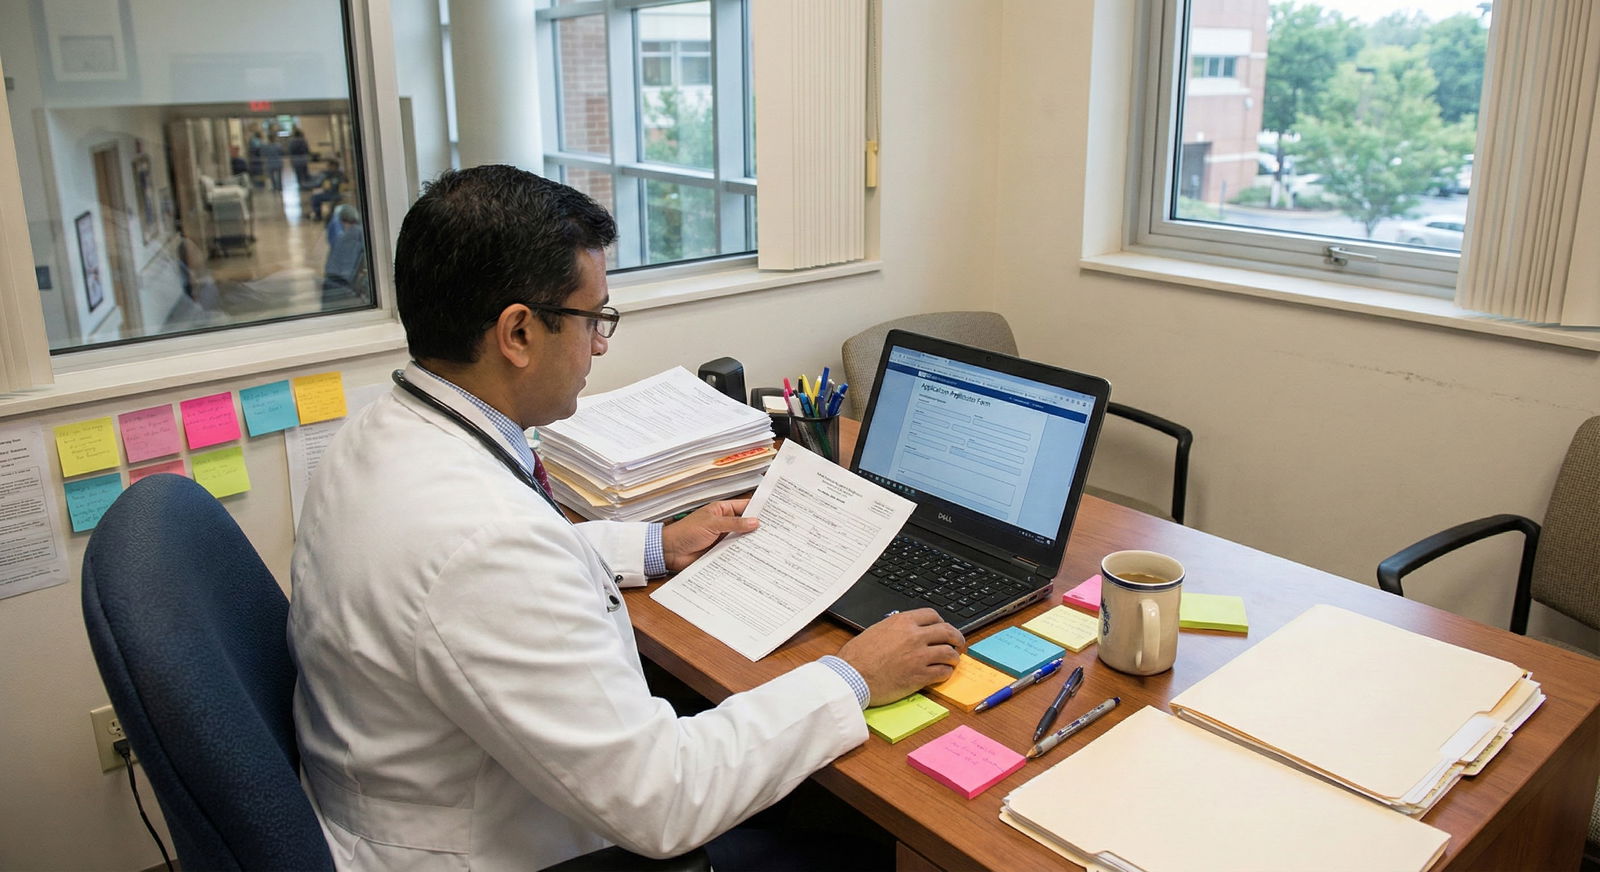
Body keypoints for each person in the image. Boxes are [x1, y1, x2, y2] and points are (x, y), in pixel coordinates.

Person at [288, 164, 964, 871]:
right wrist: (851, 676)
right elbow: (664, 801)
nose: (601, 344)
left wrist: (653, 544)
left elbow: (496, 563)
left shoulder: (377, 433)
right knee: (850, 832)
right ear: (517, 333)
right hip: (505, 851)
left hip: (400, 791)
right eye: (593, 319)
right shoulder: (483, 543)